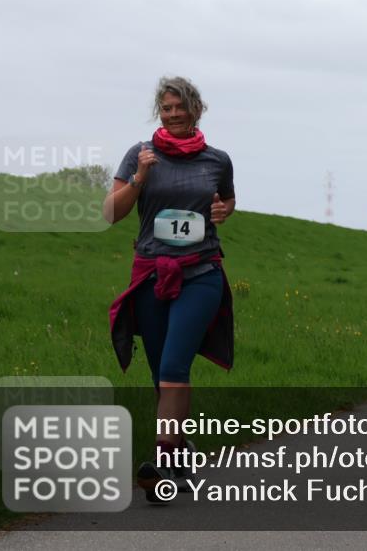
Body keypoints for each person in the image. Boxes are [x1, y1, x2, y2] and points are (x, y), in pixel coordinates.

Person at [106, 77, 236, 503]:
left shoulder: (218, 160)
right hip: (150, 273)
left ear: (197, 109)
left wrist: (223, 210)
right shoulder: (140, 154)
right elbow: (111, 213)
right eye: (166, 108)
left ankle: (164, 466)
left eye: (180, 107)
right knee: (160, 372)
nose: (173, 114)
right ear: (158, 112)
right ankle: (180, 453)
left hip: (201, 273)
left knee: (175, 368)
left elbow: (227, 202)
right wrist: (140, 176)